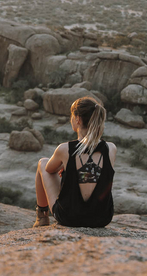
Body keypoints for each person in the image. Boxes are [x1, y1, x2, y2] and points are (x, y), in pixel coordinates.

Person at [33, 96, 116, 227]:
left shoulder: (64, 149)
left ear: (77, 119)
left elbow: (49, 170)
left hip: (69, 218)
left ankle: (41, 217)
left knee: (43, 162)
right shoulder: (110, 148)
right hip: (102, 218)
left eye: (72, 116)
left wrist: (64, 165)